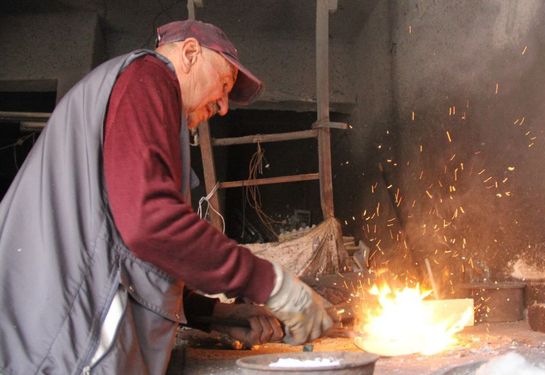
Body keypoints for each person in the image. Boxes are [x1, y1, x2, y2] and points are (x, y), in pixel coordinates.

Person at [0, 20, 334, 374]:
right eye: (223, 85)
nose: (222, 107)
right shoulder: (148, 77)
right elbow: (150, 223)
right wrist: (274, 284)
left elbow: (125, 257)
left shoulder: (134, 93)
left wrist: (213, 314)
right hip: (61, 347)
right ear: (190, 53)